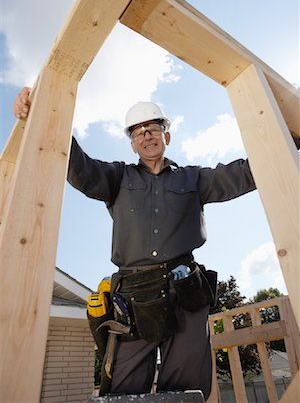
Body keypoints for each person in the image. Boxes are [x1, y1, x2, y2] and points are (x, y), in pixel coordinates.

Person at [14, 87, 257, 400]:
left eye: (153, 129)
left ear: (165, 136)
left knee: (186, 386)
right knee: (123, 386)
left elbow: (239, 175)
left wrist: (290, 138)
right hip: (133, 296)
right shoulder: (117, 178)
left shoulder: (193, 179)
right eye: (138, 132)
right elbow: (80, 168)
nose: (146, 136)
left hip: (184, 290)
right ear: (132, 143)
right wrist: (44, 112)